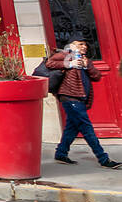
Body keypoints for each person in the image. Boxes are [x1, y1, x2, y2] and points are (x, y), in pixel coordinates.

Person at [49, 37, 121, 168]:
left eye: (85, 45)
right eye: (80, 44)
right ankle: (103, 159)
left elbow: (97, 76)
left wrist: (87, 66)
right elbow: (50, 63)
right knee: (87, 130)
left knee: (71, 128)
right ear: (72, 45)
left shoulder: (86, 61)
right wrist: (69, 64)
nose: (84, 47)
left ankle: (61, 153)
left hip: (81, 98)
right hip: (70, 97)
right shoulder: (65, 55)